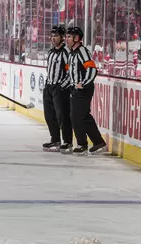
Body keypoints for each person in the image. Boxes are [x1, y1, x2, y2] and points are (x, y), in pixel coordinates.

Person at [65, 27, 106, 155]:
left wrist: (83, 83)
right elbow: (71, 72)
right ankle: (98, 142)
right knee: (83, 116)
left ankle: (82, 144)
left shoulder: (82, 51)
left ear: (76, 38)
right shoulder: (72, 53)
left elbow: (92, 69)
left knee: (77, 117)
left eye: (69, 37)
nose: (66, 39)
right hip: (76, 89)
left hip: (83, 90)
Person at [43, 25, 73, 154]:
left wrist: (62, 86)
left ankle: (67, 141)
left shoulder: (66, 52)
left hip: (59, 88)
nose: (53, 38)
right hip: (49, 86)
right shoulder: (51, 52)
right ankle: (55, 139)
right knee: (49, 115)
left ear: (62, 37)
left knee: (63, 116)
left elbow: (70, 72)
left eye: (56, 36)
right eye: (52, 36)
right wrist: (48, 85)